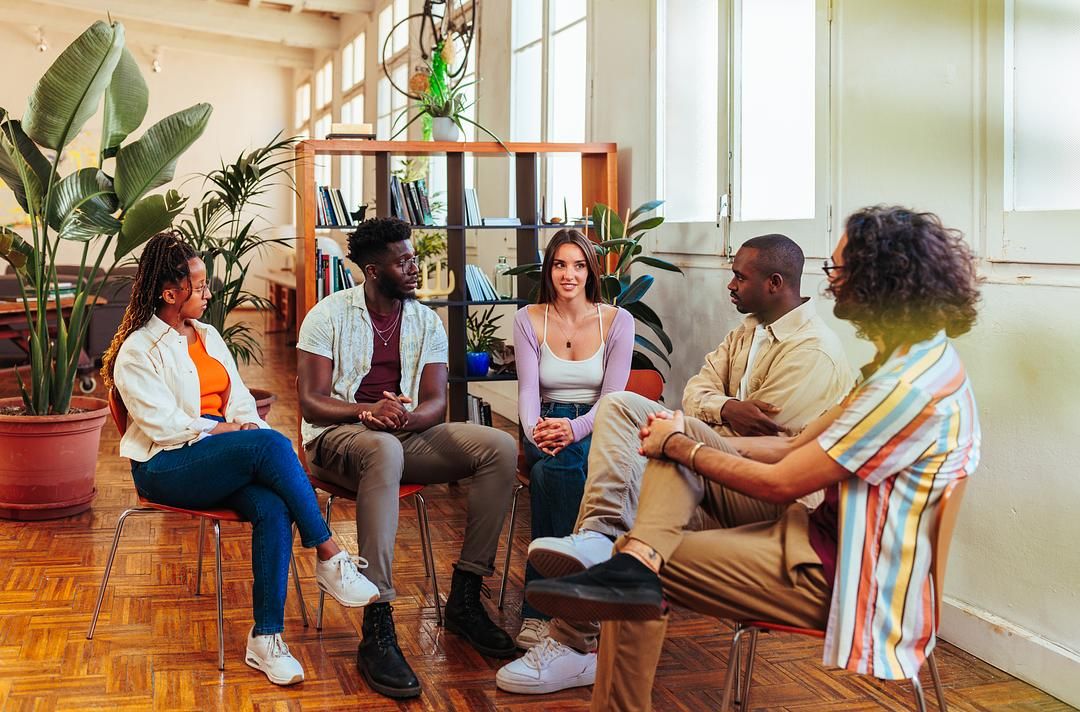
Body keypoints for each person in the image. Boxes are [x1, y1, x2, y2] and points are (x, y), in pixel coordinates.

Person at [526, 206, 983, 711]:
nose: (829, 283)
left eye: (838, 270)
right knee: (649, 494)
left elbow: (781, 480)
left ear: (881, 281)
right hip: (826, 538)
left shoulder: (901, 388)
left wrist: (681, 443)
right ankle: (617, 551)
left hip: (851, 574)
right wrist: (687, 431)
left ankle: (619, 568)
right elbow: (790, 443)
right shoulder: (915, 362)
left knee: (638, 562)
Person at [497, 233, 853, 694]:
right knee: (622, 406)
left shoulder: (813, 353)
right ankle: (594, 545)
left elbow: (764, 440)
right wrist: (723, 410)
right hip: (713, 467)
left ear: (774, 283)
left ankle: (571, 640)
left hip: (761, 492)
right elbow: (694, 391)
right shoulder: (747, 330)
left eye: (739, 277)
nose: (730, 284)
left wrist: (688, 441)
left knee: (625, 481)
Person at [101, 231, 379, 687]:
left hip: (219, 455)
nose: (209, 292)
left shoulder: (208, 336)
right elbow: (166, 428)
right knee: (269, 446)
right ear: (170, 293)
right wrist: (235, 432)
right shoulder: (137, 351)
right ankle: (328, 554)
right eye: (200, 284)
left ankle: (265, 639)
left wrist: (245, 428)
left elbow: (242, 403)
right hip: (166, 465)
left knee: (272, 505)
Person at [296, 217, 517, 700]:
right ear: (374, 271)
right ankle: (378, 618)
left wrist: (399, 418)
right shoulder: (328, 314)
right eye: (405, 261)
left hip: (401, 435)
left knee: (499, 447)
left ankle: (464, 595)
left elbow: (436, 403)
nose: (416, 268)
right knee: (381, 447)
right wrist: (366, 411)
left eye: (414, 258)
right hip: (336, 439)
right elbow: (311, 401)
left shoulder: (424, 320)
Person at [509, 229, 634, 653]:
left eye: (578, 265)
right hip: (546, 419)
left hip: (601, 423)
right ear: (549, 269)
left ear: (591, 271)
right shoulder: (528, 318)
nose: (569, 274)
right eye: (561, 264)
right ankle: (580, 600)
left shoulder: (618, 320)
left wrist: (576, 430)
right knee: (557, 468)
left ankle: (542, 610)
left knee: (555, 473)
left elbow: (612, 399)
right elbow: (527, 391)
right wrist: (535, 431)